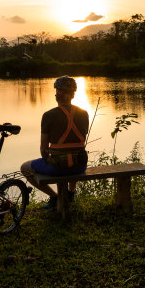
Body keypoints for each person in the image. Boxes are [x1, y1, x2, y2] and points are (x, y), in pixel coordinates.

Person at [21, 76, 89, 210]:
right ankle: (71, 194)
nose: (57, 93)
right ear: (73, 94)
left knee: (24, 167)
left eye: (58, 90)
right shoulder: (84, 113)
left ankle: (54, 197)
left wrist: (50, 159)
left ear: (58, 94)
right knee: (74, 154)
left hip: (58, 168)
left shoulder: (49, 115)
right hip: (80, 165)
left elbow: (43, 150)